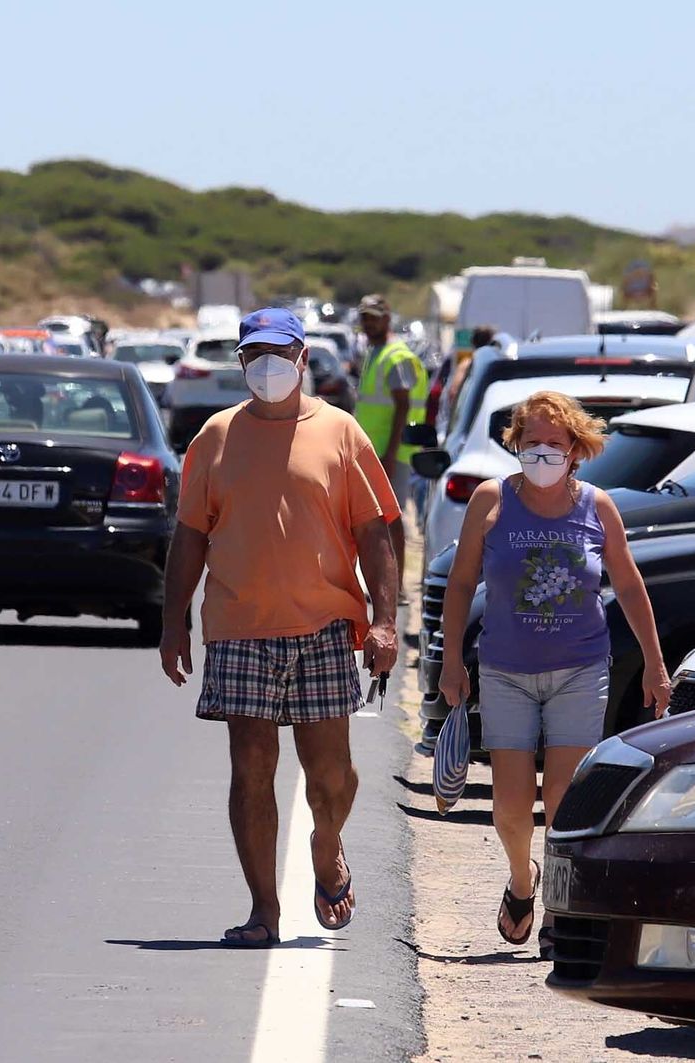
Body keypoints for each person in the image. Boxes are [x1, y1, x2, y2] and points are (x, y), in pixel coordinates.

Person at [160, 307, 401, 948]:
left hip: (323, 626)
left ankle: (327, 846)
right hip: (240, 626)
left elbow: (374, 532)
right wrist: (173, 622)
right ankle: (263, 912)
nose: (266, 366)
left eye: (278, 353)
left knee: (331, 776)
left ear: (301, 357)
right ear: (240, 362)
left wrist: (384, 620)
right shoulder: (213, 437)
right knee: (251, 768)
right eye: (254, 355)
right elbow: (189, 535)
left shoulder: (341, 433)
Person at [437, 391, 670, 953]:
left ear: (576, 450)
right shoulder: (491, 500)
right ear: (515, 445)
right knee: (511, 806)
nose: (543, 452)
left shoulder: (597, 505)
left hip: (580, 668)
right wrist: (449, 659)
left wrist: (656, 665)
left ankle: (558, 916)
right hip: (505, 671)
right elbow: (462, 583)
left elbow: (630, 586)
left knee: (563, 800)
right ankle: (523, 881)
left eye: (555, 444)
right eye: (532, 442)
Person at [353, 294, 427, 597]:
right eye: (365, 317)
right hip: (374, 452)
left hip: (389, 454)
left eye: (374, 317)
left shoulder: (396, 356)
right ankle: (384, 580)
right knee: (377, 516)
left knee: (392, 516)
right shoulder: (376, 352)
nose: (368, 323)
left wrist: (390, 453)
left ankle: (395, 586)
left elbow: (402, 406)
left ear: (387, 318)